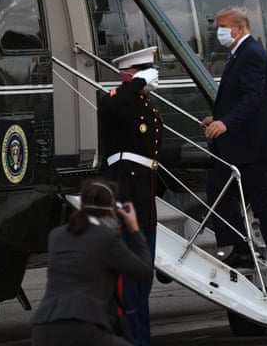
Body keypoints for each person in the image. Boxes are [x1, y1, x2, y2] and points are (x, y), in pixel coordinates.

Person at [200, 6, 267, 295]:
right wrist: (215, 119)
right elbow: (240, 97)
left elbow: (253, 98)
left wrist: (226, 123)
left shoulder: (252, 55)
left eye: (222, 27)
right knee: (218, 184)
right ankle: (240, 247)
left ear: (239, 28)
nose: (217, 33)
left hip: (257, 145)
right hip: (245, 144)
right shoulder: (240, 54)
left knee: (265, 207)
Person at [31, 180, 152, 346]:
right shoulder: (107, 238)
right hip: (82, 326)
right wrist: (134, 229)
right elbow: (144, 271)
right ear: (112, 209)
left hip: (44, 326)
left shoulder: (57, 235)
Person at [98, 46, 161, 346]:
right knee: (125, 282)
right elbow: (109, 109)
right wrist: (134, 84)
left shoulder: (146, 106)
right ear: (129, 74)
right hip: (124, 190)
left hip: (145, 197)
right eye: (145, 72)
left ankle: (140, 339)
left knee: (142, 277)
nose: (152, 77)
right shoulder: (116, 99)